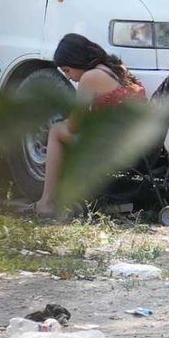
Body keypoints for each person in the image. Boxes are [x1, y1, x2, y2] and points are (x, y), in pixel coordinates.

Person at [34, 33, 146, 218]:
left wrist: (67, 121)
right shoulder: (116, 68)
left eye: (67, 70)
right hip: (133, 140)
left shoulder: (90, 77)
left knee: (56, 131)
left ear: (76, 61)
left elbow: (74, 127)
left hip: (114, 146)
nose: (68, 77)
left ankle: (46, 202)